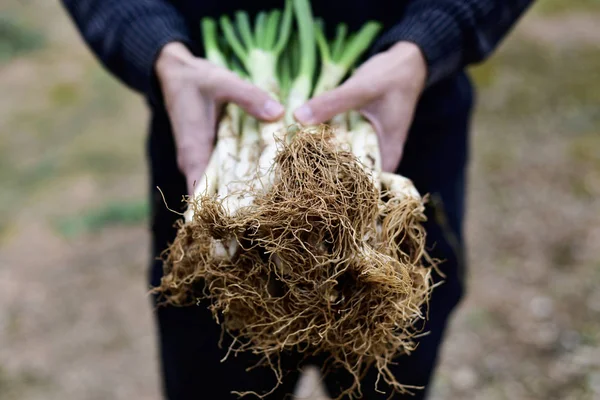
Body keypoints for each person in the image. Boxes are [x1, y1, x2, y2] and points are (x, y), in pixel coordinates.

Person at [61, 1, 533, 398]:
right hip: (203, 140)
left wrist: (431, 40)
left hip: (411, 128)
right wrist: (157, 50)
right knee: (210, 353)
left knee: (395, 348)